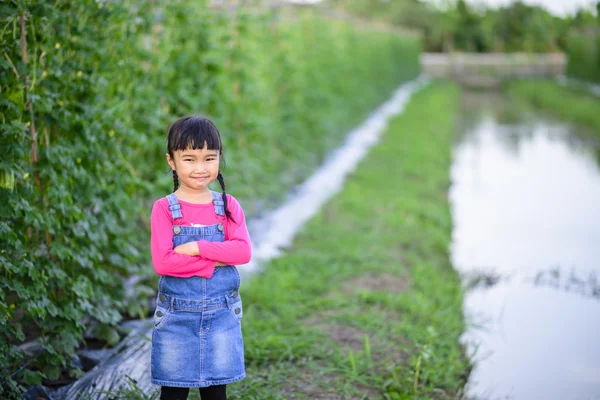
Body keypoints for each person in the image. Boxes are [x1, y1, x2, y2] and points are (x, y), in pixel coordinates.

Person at [149, 116, 252, 400]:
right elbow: (164, 262)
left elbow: (242, 252)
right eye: (189, 159)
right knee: (173, 393)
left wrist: (196, 247)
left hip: (221, 314)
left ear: (219, 158)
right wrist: (219, 259)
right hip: (176, 317)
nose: (200, 168)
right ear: (171, 160)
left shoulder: (227, 205)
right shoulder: (164, 209)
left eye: (209, 158)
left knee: (216, 392)